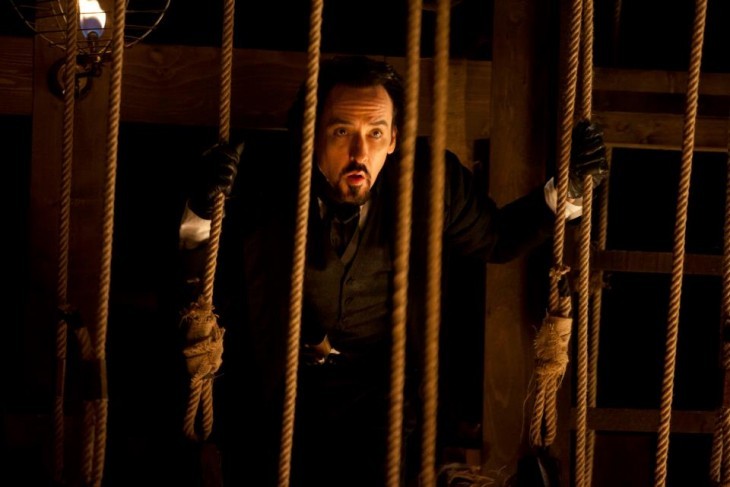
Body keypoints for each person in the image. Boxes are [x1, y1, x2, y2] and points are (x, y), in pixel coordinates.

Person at [177, 55, 607, 486]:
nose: (359, 153)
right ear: (310, 135)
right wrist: (200, 205)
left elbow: (498, 238)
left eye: (375, 133)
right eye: (342, 132)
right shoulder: (261, 176)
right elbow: (198, 262)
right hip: (276, 390)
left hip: (384, 394)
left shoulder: (429, 182)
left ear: (394, 139)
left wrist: (568, 188)